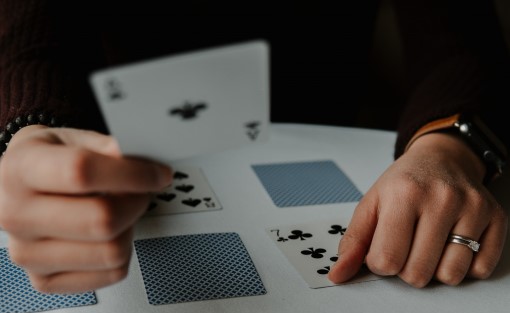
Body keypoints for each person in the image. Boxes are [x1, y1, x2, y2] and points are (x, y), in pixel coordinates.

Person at [0, 0, 508, 294]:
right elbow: (29, 39)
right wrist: (28, 132)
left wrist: (447, 148)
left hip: (319, 126)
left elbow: (461, 43)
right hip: (117, 142)